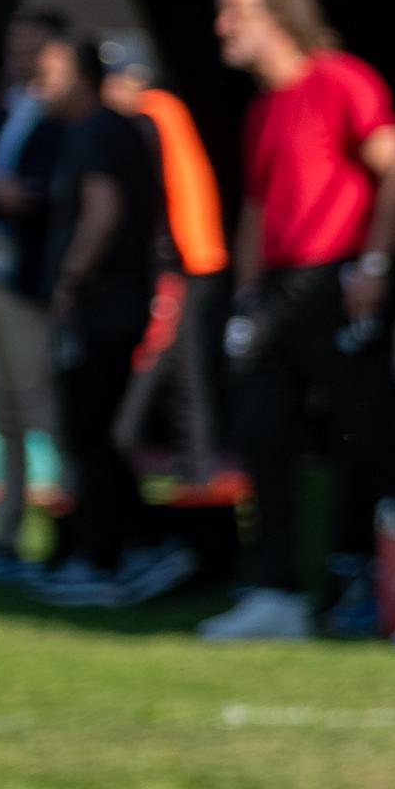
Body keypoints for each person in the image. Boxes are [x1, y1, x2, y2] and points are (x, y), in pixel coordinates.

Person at [196, 0, 395, 644]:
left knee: (372, 431)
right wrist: (245, 299)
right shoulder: (264, 107)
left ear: (279, 15)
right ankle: (276, 590)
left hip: (337, 279)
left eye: (237, 12)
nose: (222, 26)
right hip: (276, 289)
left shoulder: (342, 79)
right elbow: (255, 206)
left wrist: (374, 263)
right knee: (260, 431)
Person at [28, 30, 182, 606]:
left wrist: (70, 281)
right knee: (96, 431)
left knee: (90, 430)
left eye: (48, 69)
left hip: (103, 307)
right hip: (116, 302)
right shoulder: (113, 129)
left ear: (83, 75)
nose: (37, 83)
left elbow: (103, 210)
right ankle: (123, 545)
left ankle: (113, 551)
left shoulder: (97, 130)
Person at [100, 38, 233, 492]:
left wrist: (158, 262)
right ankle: (188, 463)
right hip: (190, 256)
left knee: (165, 359)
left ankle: (169, 461)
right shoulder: (163, 112)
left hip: (182, 259)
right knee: (176, 362)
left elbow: (159, 197)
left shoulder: (151, 115)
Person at [0, 7, 69, 578]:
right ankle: (5, 535)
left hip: (35, 285)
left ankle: (71, 533)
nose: (20, 56)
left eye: (31, 46)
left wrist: (21, 196)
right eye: (15, 44)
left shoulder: (64, 118)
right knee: (5, 412)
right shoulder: (3, 111)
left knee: (44, 411)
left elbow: (64, 194)